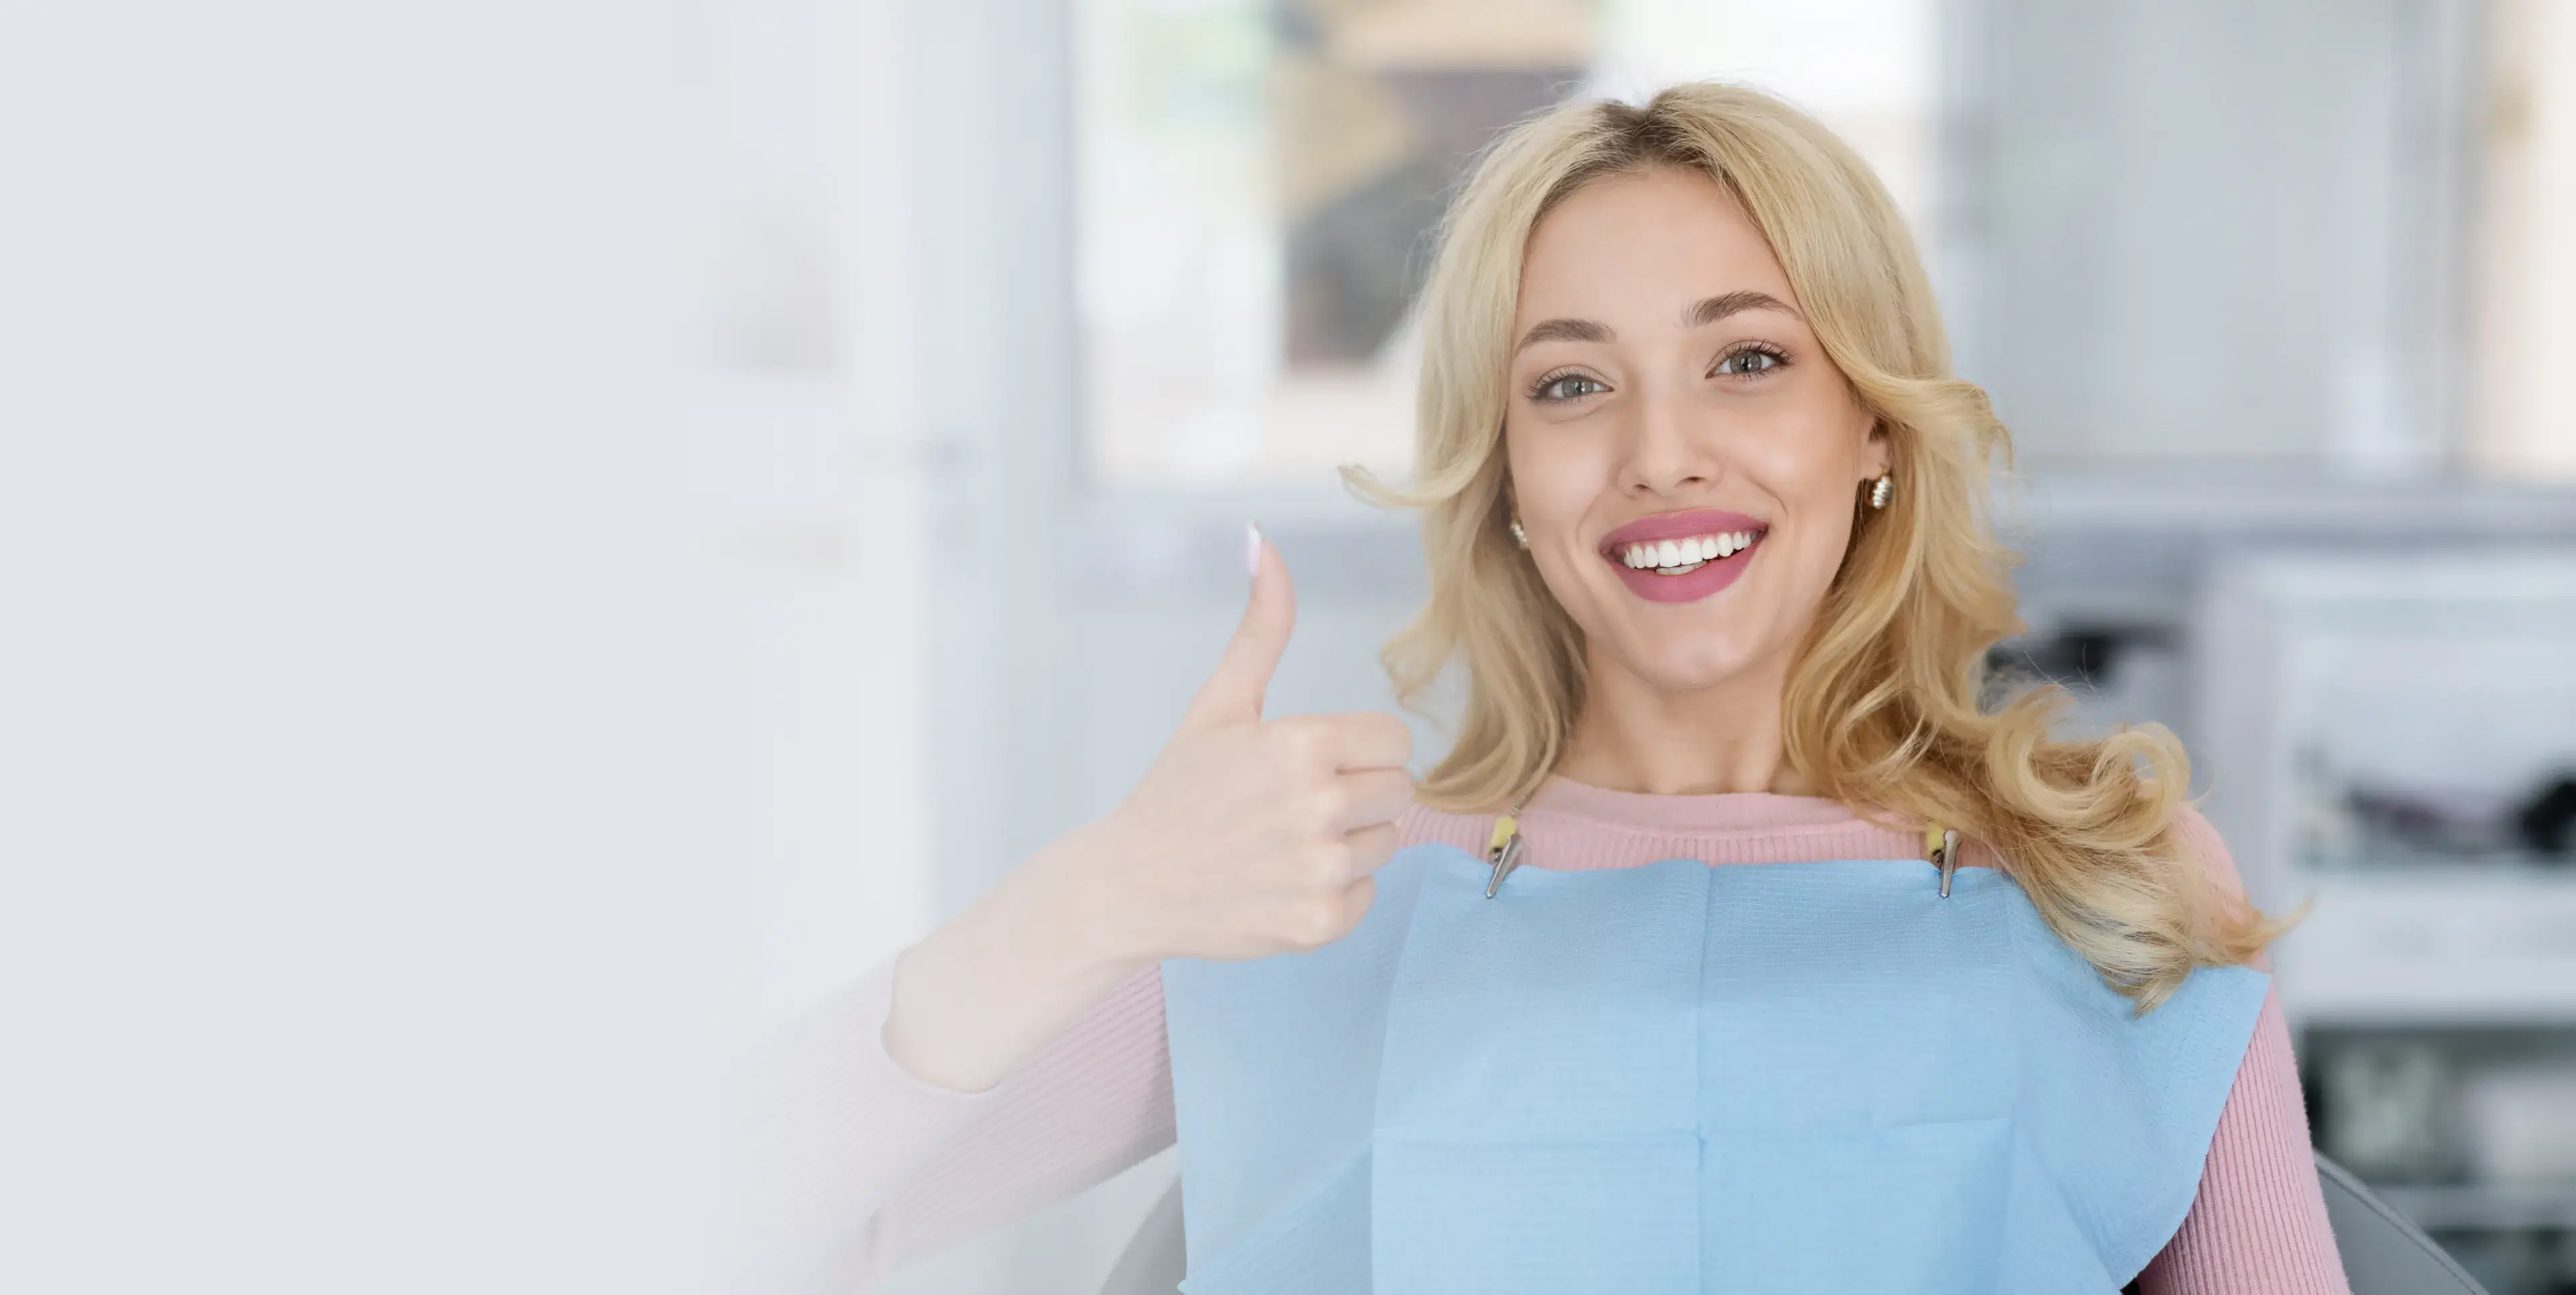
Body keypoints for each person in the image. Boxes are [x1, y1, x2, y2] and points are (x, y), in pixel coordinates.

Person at [718, 82, 2353, 1294]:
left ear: (1873, 426)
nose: (1660, 454)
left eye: (1749, 358)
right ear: (1505, 471)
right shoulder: (1314, 890)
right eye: (1571, 384)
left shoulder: (2110, 881)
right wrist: (1092, 899)